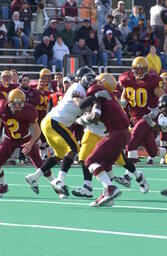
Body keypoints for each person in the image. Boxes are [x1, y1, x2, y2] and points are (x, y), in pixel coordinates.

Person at [72, 73, 148, 203]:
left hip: (114, 134)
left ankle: (110, 188)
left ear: (101, 84)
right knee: (107, 166)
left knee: (89, 161)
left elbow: (92, 112)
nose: (93, 83)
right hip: (123, 134)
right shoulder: (111, 95)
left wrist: (80, 120)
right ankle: (106, 197)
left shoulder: (97, 91)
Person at [25, 67, 95, 198]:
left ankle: (34, 177)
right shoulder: (77, 86)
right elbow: (79, 103)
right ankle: (60, 181)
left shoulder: (82, 89)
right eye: (89, 79)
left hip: (52, 123)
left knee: (60, 154)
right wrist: (92, 104)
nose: (92, 82)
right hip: (54, 122)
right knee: (74, 148)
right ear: (81, 79)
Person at [114, 56, 164, 187]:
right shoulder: (127, 79)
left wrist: (157, 110)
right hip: (135, 118)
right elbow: (124, 97)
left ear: (147, 70)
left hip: (148, 117)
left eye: (142, 70)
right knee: (153, 152)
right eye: (137, 70)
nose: (139, 73)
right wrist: (122, 102)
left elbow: (164, 98)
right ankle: (138, 178)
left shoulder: (153, 80)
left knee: (131, 143)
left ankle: (128, 176)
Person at [0, 88, 43, 196]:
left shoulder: (29, 109)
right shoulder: (2, 107)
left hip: (25, 138)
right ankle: (3, 185)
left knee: (39, 162)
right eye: (14, 104)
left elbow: (37, 130)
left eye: (20, 104)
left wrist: (31, 142)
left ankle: (55, 184)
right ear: (9, 102)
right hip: (9, 138)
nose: (17, 106)